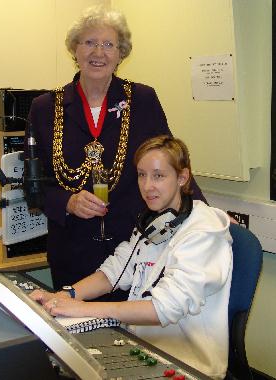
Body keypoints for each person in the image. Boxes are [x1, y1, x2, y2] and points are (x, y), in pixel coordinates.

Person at [26, 5, 206, 298]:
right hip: (72, 251)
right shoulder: (45, 108)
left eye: (109, 44)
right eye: (89, 42)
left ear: (121, 53)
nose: (99, 52)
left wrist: (204, 214)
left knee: (129, 335)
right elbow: (34, 186)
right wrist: (67, 202)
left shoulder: (143, 100)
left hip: (135, 249)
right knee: (75, 333)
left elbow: (172, 163)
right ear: (75, 49)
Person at [30, 135, 233, 379]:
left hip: (188, 365)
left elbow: (163, 309)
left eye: (158, 175)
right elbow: (113, 272)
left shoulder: (203, 232)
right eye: (141, 175)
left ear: (182, 177)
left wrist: (82, 308)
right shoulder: (153, 222)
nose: (148, 186)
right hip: (144, 348)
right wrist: (64, 296)